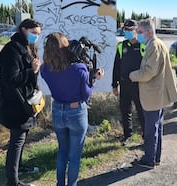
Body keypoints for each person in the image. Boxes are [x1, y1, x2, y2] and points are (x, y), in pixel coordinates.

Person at [40, 32, 103, 186]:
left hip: (57, 111)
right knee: (74, 156)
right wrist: (94, 78)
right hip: (76, 112)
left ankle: (60, 184)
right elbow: (86, 94)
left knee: (62, 151)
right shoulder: (79, 69)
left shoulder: (44, 69)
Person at [0, 18, 42, 186]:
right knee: (17, 139)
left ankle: (19, 167)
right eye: (34, 33)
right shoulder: (12, 50)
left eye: (38, 34)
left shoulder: (26, 47)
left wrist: (33, 72)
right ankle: (12, 181)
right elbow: (11, 79)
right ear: (23, 29)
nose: (36, 37)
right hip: (15, 103)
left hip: (25, 102)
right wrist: (32, 71)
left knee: (22, 136)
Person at [129, 19, 177, 168]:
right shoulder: (156, 44)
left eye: (139, 32)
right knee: (156, 126)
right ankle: (155, 157)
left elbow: (149, 72)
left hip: (153, 95)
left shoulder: (153, 46)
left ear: (149, 32)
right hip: (157, 94)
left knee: (151, 129)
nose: (137, 35)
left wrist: (133, 75)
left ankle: (149, 159)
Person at [112, 20, 145, 145]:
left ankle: (145, 135)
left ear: (136, 30)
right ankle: (127, 135)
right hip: (124, 84)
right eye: (126, 30)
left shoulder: (143, 45)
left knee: (141, 111)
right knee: (125, 111)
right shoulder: (122, 46)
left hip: (139, 84)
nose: (128, 32)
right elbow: (116, 67)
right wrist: (114, 85)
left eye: (130, 30)